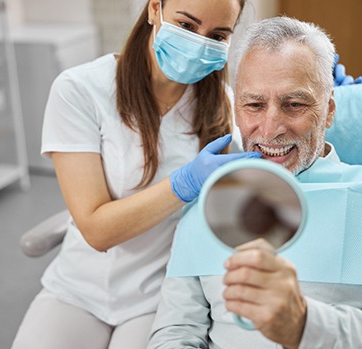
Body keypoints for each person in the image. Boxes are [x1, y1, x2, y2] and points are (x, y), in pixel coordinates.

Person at [10, 1, 265, 348]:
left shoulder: (224, 107)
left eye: (217, 35)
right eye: (187, 26)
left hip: (159, 296)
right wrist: (184, 183)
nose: (200, 43)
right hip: (77, 289)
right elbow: (97, 230)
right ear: (154, 9)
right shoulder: (81, 90)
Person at [148, 16, 362, 349]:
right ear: (236, 111)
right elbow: (176, 329)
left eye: (294, 104)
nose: (270, 127)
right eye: (254, 105)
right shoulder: (205, 205)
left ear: (329, 110)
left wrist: (304, 324)